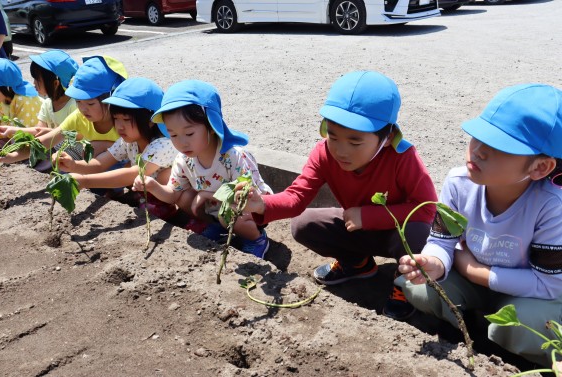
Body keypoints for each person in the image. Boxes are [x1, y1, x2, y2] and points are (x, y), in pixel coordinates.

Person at [236, 71, 438, 320]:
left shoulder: (402, 158)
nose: (341, 150)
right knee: (304, 224)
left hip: (397, 235)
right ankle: (358, 264)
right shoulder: (323, 153)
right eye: (333, 136)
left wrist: (368, 215)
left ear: (386, 138)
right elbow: (296, 196)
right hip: (356, 228)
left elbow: (427, 208)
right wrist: (261, 203)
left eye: (355, 142)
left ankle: (405, 284)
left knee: (421, 232)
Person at [398, 84, 562, 367]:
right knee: (418, 287)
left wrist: (473, 271)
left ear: (540, 167)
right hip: (489, 286)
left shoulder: (553, 206)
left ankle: (524, 358)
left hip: (533, 297)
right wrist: (435, 261)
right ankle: (472, 330)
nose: (479, 151)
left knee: (517, 325)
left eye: (500, 147)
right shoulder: (458, 183)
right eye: (478, 136)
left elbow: (549, 285)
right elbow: (441, 242)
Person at [132, 80, 272, 258]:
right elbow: (173, 194)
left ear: (212, 126)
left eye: (189, 133)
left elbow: (245, 197)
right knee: (185, 197)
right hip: (215, 209)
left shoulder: (233, 157)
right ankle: (217, 228)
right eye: (173, 134)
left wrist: (206, 195)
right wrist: (151, 185)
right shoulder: (183, 160)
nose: (182, 142)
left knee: (228, 213)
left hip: (250, 210)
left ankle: (256, 239)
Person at [54, 77, 178, 219]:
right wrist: (72, 165)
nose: (119, 126)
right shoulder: (128, 141)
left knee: (164, 176)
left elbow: (135, 173)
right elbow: (100, 163)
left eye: (126, 120)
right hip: (145, 193)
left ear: (150, 121)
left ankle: (174, 212)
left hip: (171, 196)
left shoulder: (162, 144)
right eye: (116, 118)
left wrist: (85, 181)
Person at [0, 55, 127, 165]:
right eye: (78, 101)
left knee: (94, 146)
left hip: (126, 169)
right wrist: (10, 155)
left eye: (90, 104)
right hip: (96, 168)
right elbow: (46, 140)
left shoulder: (124, 121)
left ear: (110, 99)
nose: (83, 108)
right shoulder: (78, 117)